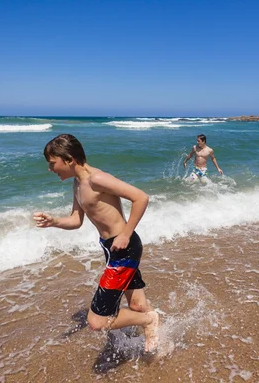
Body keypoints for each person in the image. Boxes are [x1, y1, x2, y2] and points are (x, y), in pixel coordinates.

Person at [33, 134, 159, 353]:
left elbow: (141, 197)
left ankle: (149, 321)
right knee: (137, 305)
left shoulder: (97, 179)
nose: (50, 169)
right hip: (112, 248)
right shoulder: (77, 183)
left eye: (53, 163)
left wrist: (126, 234)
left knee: (97, 322)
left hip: (124, 247)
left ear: (69, 159)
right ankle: (158, 332)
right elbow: (76, 220)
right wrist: (54, 221)